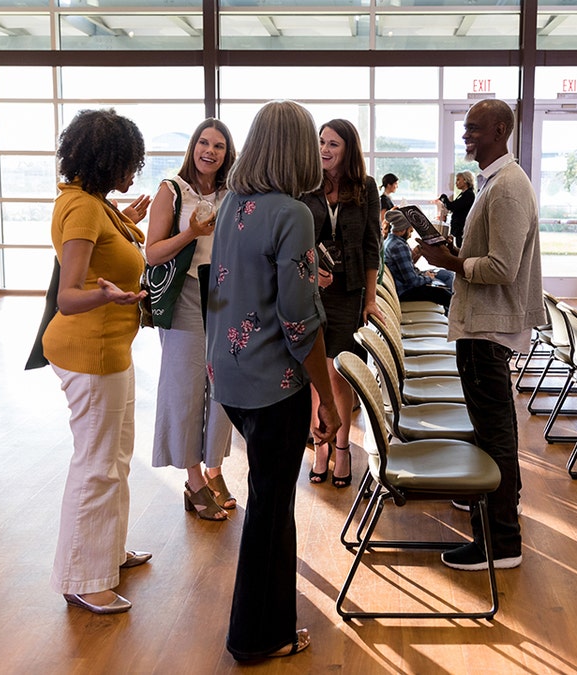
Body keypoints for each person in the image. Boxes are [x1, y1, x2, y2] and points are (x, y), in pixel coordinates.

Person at [204, 99, 339, 662]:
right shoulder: (293, 212)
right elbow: (299, 324)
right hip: (273, 382)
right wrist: (326, 399)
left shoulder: (235, 199)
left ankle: (261, 628)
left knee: (267, 504)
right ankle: (260, 636)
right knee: (270, 510)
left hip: (231, 375)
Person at [418, 99, 543, 572]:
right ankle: (495, 508)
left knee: (495, 434)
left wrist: (451, 263)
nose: (466, 136)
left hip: (489, 324)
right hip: (482, 321)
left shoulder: (508, 187)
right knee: (493, 430)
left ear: (499, 129)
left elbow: (503, 269)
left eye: (473, 129)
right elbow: (487, 254)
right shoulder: (497, 182)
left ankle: (500, 541)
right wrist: (453, 252)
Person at [42, 109, 152, 615]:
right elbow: (68, 295)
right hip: (93, 351)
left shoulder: (93, 203)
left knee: (115, 458)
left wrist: (127, 222)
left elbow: (107, 247)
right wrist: (110, 296)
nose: (134, 172)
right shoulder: (85, 209)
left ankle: (104, 551)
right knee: (97, 465)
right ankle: (84, 577)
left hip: (111, 349)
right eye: (129, 162)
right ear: (106, 160)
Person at [145, 119, 237, 522]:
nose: (210, 151)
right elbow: (152, 253)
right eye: (203, 142)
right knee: (186, 389)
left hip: (225, 298)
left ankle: (214, 467)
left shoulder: (233, 193)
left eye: (218, 145)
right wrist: (192, 233)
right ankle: (194, 480)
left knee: (222, 388)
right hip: (183, 299)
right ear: (193, 147)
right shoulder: (171, 190)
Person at [299, 119, 381, 488]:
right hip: (311, 291)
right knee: (317, 370)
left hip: (348, 294)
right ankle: (320, 445)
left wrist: (371, 297)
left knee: (339, 370)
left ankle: (343, 448)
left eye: (333, 143)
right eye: (321, 142)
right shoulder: (305, 185)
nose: (325, 149)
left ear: (348, 148)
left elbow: (370, 246)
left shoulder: (365, 187)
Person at [382, 210, 453, 309]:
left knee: (445, 277)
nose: (410, 235)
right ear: (402, 230)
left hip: (403, 287)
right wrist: (428, 278)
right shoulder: (399, 246)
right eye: (410, 231)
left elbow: (408, 270)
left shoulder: (389, 241)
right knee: (445, 294)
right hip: (406, 291)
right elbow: (413, 282)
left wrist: (425, 275)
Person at [439, 170, 476, 248]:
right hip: (459, 229)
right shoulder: (463, 194)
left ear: (465, 180)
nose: (456, 183)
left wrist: (443, 197)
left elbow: (452, 206)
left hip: (462, 229)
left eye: (458, 180)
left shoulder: (468, 195)